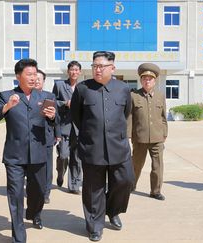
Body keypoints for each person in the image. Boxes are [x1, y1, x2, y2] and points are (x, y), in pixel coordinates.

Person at [0, 59, 56, 243]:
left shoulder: (46, 97)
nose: (34, 78)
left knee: (39, 192)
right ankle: (19, 237)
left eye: (35, 74)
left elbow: (55, 122)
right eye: (29, 74)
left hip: (39, 153)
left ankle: (34, 212)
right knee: (16, 195)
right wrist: (7, 106)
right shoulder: (7, 95)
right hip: (14, 156)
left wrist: (52, 117)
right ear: (18, 76)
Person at [71, 51, 135, 242]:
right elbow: (77, 116)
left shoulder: (123, 88)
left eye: (101, 66)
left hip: (119, 146)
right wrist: (89, 136)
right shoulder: (83, 89)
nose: (97, 70)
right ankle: (94, 226)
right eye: (94, 66)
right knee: (93, 190)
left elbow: (126, 112)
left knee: (125, 181)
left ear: (112, 68)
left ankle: (112, 210)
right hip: (93, 147)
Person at [127, 63, 168, 201]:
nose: (147, 81)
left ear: (155, 80)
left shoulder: (161, 96)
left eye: (150, 79)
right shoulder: (133, 95)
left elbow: (163, 116)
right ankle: (131, 185)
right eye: (144, 78)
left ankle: (155, 191)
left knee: (158, 166)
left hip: (157, 137)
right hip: (139, 137)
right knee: (136, 165)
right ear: (141, 80)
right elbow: (130, 117)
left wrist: (164, 133)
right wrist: (128, 135)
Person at [52, 60, 82, 194]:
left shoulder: (83, 87)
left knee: (77, 158)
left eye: (76, 70)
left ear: (80, 72)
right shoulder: (59, 85)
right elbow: (53, 102)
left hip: (79, 128)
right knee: (63, 155)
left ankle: (74, 186)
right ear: (68, 71)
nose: (74, 72)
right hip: (64, 126)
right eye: (72, 69)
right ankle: (60, 173)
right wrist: (65, 103)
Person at [35, 69, 60, 203]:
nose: (37, 80)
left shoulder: (50, 96)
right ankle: (35, 190)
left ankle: (46, 193)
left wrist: (58, 134)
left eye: (40, 78)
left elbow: (56, 117)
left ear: (44, 81)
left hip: (47, 137)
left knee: (47, 167)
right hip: (31, 137)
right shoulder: (27, 96)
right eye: (35, 77)